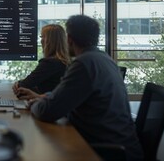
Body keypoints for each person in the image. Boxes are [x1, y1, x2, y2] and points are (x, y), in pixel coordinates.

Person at [17, 15, 143, 161]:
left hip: (107, 151)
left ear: (69, 39)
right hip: (122, 146)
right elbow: (70, 97)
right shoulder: (104, 59)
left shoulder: (84, 63)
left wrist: (34, 103)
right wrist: (42, 97)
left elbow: (47, 112)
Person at [12, 24, 70, 96]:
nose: (41, 41)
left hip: (48, 105)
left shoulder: (50, 63)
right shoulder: (66, 62)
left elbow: (24, 85)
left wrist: (18, 84)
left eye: (42, 37)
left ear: (48, 41)